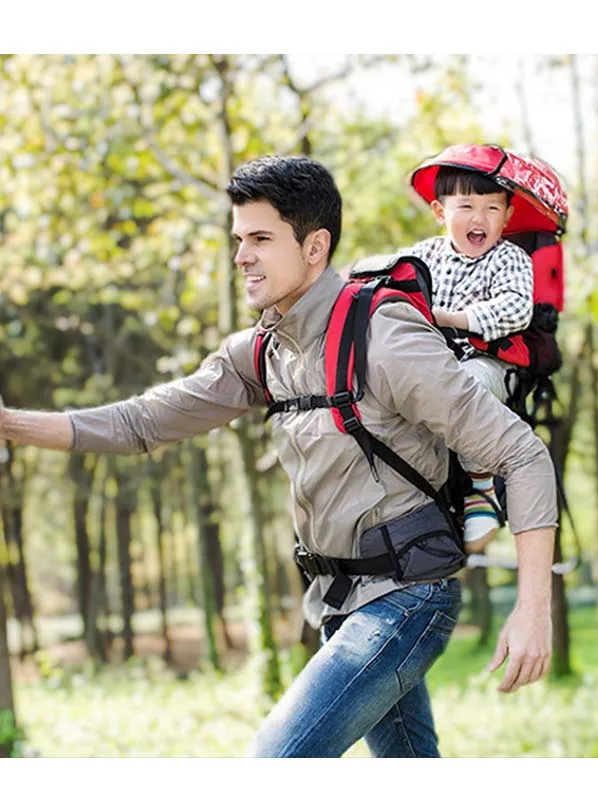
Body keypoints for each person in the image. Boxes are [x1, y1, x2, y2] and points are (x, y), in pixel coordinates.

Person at [0, 154, 557, 759]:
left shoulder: (385, 335)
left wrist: (533, 611)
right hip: (338, 603)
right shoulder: (263, 351)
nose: (241, 256)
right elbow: (145, 421)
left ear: (314, 246)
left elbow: (522, 456)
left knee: (272, 765)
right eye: (239, 239)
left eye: (261, 238)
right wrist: (11, 424)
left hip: (407, 598)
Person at [407, 163, 534, 554]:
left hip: (485, 364)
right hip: (430, 364)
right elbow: (387, 282)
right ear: (440, 212)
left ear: (507, 216)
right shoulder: (421, 256)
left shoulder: (509, 259)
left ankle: (481, 486)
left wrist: (453, 319)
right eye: (466, 207)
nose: (479, 219)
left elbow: (516, 308)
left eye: (492, 209)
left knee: (468, 386)